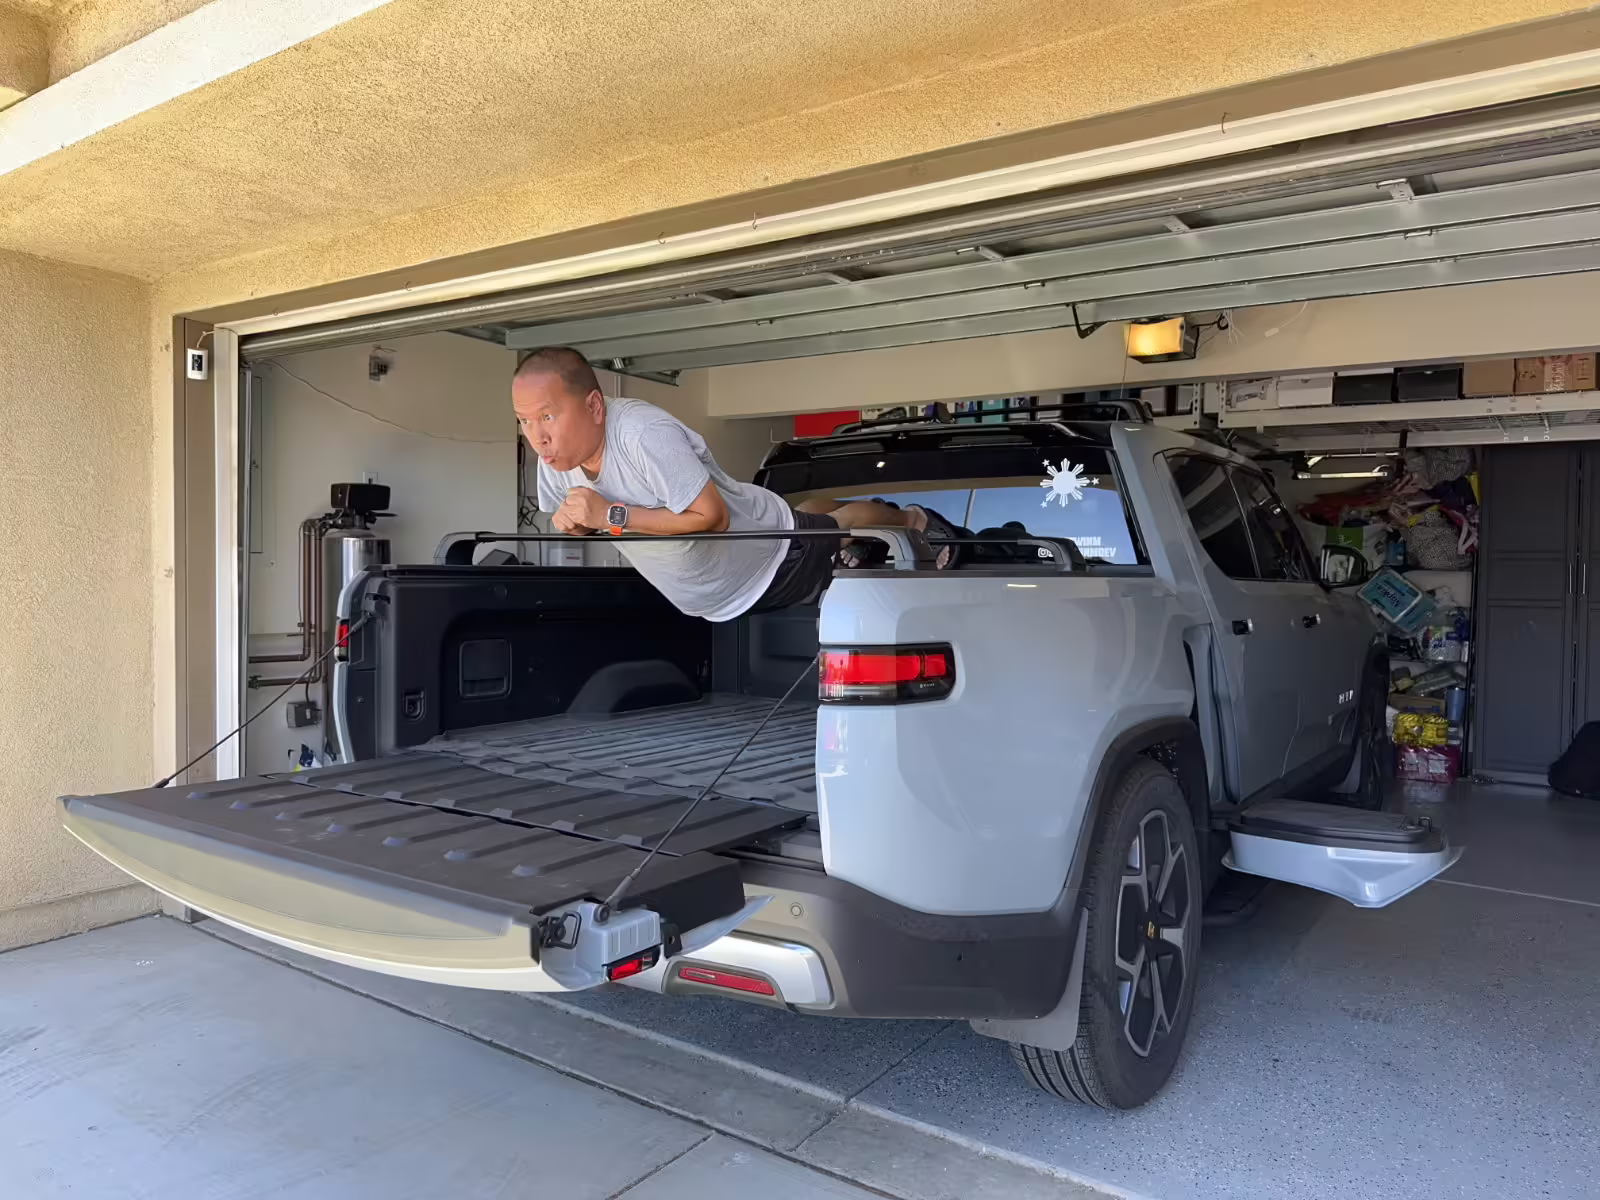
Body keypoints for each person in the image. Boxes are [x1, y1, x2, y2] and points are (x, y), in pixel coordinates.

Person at [514, 347, 949, 622]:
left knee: (839, 527)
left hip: (773, 562)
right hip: (720, 595)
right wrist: (577, 523)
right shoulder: (556, 455)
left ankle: (911, 518)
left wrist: (609, 515)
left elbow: (713, 517)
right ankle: (802, 513)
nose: (537, 436)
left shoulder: (642, 435)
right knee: (817, 519)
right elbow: (568, 519)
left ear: (593, 405)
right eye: (524, 421)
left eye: (547, 416)